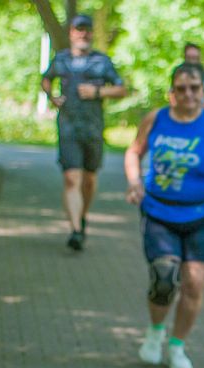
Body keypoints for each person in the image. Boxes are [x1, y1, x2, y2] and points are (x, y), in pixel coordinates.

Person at [124, 62, 204, 368]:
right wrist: (135, 182)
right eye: (181, 88)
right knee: (164, 278)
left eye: (195, 88)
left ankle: (177, 346)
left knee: (194, 285)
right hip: (159, 212)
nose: (188, 94)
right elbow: (133, 152)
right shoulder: (156, 119)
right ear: (172, 93)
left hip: (202, 213)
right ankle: (154, 333)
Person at [41, 14, 126, 251]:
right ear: (71, 33)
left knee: (88, 180)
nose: (83, 34)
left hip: (93, 129)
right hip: (68, 128)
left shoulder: (101, 61)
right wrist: (52, 97)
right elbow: (46, 80)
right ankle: (76, 230)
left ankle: (82, 216)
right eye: (79, 29)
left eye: (87, 29)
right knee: (71, 178)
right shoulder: (61, 60)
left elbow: (121, 89)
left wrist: (98, 93)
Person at [183, 43, 204, 111]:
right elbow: (173, 100)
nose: (192, 61)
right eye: (189, 57)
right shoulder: (178, 76)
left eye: (195, 58)